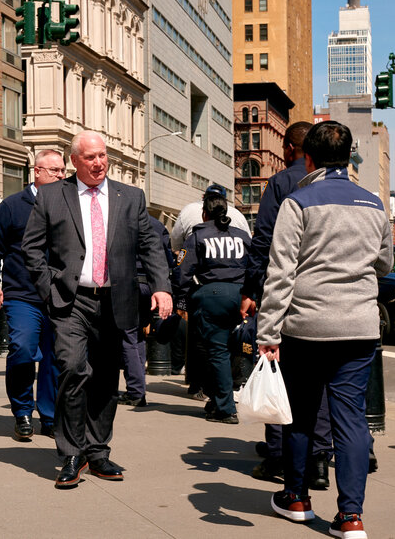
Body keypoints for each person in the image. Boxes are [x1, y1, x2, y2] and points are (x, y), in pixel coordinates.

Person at [256, 120, 391, 539]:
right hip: (358, 327)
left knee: (300, 412)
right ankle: (351, 517)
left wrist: (268, 333)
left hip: (306, 326)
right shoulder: (373, 204)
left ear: (307, 158)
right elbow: (383, 264)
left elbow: (280, 273)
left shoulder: (298, 202)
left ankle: (296, 498)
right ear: (349, 157)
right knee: (350, 419)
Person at [23, 130, 172, 489]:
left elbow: (151, 246)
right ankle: (71, 453)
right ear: (75, 161)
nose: (98, 162)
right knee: (73, 368)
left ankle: (97, 451)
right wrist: (51, 287)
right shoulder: (51, 196)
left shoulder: (130, 197)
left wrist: (162, 288)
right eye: (90, 157)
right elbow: (31, 249)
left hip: (115, 298)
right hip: (71, 300)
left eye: (102, 155)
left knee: (106, 378)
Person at [240, 121, 335, 487]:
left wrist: (252, 288)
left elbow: (263, 238)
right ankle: (319, 459)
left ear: (287, 148)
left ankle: (279, 456)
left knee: (277, 372)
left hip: (282, 292)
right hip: (325, 297)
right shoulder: (336, 186)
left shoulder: (280, 183)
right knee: (322, 380)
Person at [0, 149, 63, 441]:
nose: (61, 175)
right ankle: (23, 412)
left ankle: (51, 416)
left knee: (56, 358)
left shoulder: (68, 204)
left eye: (63, 170)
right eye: (54, 170)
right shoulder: (13, 206)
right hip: (21, 293)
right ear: (37, 172)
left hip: (59, 296)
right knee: (22, 349)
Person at [171, 192, 251, 424]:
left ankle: (226, 409)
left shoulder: (199, 235)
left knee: (216, 352)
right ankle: (217, 402)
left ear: (204, 213)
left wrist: (181, 301)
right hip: (240, 295)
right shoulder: (242, 235)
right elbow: (256, 264)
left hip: (212, 295)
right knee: (231, 350)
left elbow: (182, 272)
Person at [118, 215, 175, 407]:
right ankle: (137, 387)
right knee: (138, 335)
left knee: (129, 335)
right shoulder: (158, 225)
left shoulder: (121, 219)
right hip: (151, 286)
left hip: (128, 284)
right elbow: (167, 259)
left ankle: (136, 391)